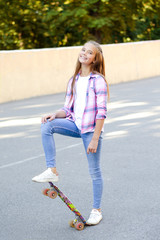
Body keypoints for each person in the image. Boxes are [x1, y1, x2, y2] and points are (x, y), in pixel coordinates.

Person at [32, 40, 109, 225]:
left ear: (95, 59)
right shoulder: (73, 80)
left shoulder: (98, 81)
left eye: (89, 52)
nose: (84, 53)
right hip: (75, 125)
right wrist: (54, 114)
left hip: (91, 130)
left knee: (94, 171)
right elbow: (67, 109)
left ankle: (96, 210)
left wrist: (95, 139)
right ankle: (52, 169)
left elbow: (102, 111)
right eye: (83, 50)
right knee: (47, 125)